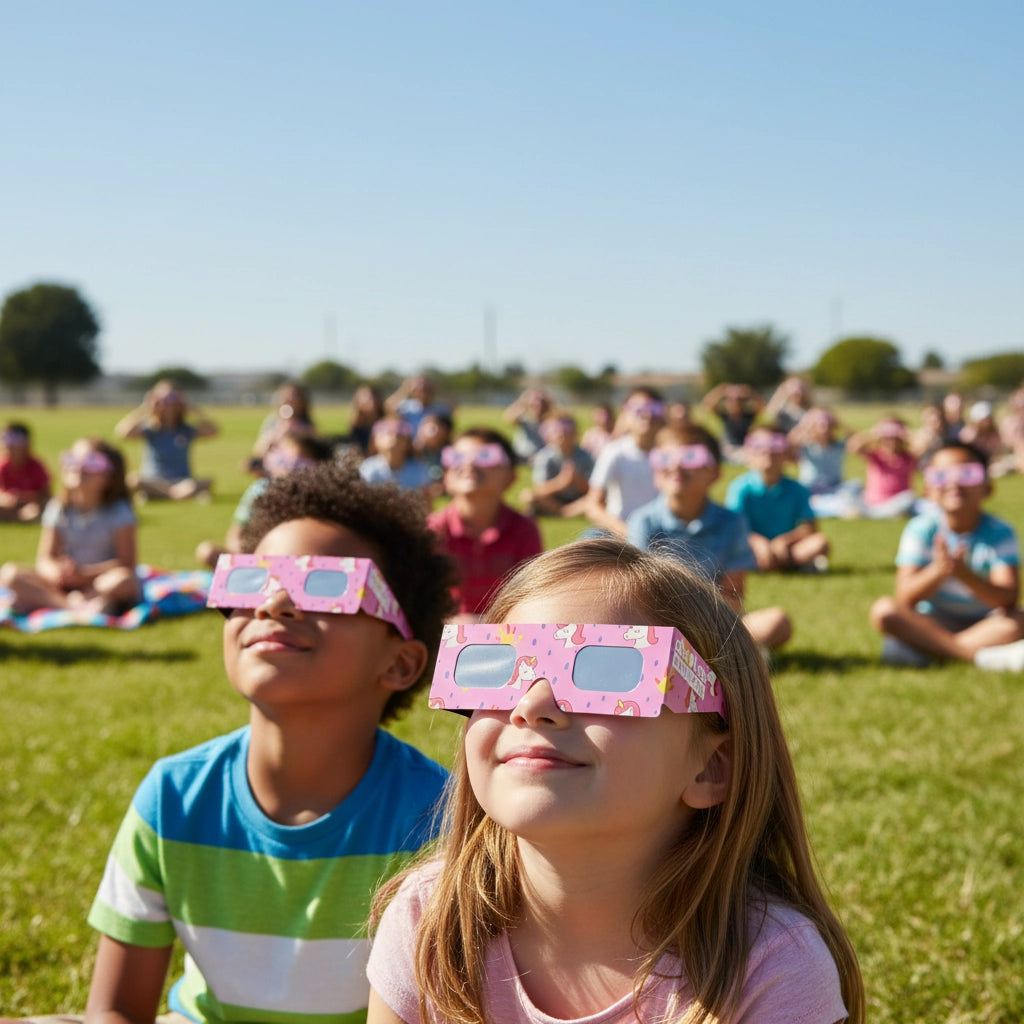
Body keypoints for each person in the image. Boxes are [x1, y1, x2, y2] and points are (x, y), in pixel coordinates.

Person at [366, 538, 864, 1024]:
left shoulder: (771, 969)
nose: (531, 707)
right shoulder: (427, 920)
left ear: (712, 767)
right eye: (501, 669)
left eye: (606, 672)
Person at [83, 462, 457, 1024]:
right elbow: (115, 1010)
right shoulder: (173, 796)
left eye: (328, 586)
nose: (273, 604)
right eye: (252, 580)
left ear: (400, 662)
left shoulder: (439, 821)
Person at [628, 424, 792, 652]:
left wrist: (702, 628)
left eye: (691, 457)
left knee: (777, 622)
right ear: (655, 471)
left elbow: (733, 595)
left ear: (715, 473)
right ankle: (733, 655)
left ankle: (718, 652)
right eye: (665, 457)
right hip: (657, 624)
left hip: (715, 622)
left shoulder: (733, 523)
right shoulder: (643, 522)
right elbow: (639, 594)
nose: (676, 465)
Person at [869, 441, 1024, 670]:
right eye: (941, 475)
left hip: (985, 622)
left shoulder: (1000, 532)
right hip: (932, 621)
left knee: (1018, 620)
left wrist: (965, 576)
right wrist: (939, 570)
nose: (955, 483)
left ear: (987, 487)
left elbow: (1008, 598)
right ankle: (981, 658)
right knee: (885, 610)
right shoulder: (921, 529)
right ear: (928, 490)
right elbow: (905, 597)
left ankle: (934, 651)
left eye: (967, 474)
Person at [0, 438, 140, 617]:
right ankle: (72, 606)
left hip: (100, 582)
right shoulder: (59, 508)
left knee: (123, 582)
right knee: (10, 574)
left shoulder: (119, 511)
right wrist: (59, 572)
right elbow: (45, 559)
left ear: (110, 477)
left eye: (91, 462)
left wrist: (85, 574)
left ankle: (66, 601)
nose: (79, 468)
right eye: (73, 460)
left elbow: (127, 563)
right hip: (62, 585)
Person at [427, 428, 542, 621]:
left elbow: (532, 599)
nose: (469, 463)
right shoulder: (432, 530)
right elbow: (421, 600)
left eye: (485, 456)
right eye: (457, 457)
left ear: (511, 477)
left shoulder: (525, 530)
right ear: (445, 477)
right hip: (444, 637)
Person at [196, 433, 334, 568]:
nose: (286, 465)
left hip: (298, 562)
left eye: (295, 460)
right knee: (207, 551)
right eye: (282, 458)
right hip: (257, 559)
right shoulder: (260, 490)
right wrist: (246, 559)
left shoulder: (320, 497)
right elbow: (236, 534)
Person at [725, 425, 830, 572]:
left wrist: (784, 541)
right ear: (749, 454)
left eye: (775, 447)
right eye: (759, 447)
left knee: (820, 543)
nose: (768, 453)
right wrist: (759, 542)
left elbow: (809, 528)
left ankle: (775, 563)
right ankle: (790, 565)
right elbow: (734, 528)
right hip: (753, 547)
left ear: (785, 454)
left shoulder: (797, 489)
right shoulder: (740, 487)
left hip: (787, 547)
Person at [115, 380, 219, 501]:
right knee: (133, 479)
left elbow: (213, 431)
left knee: (207, 481)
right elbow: (122, 432)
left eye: (172, 398)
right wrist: (145, 408)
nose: (168, 405)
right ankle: (176, 494)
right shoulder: (150, 429)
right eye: (162, 400)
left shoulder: (186, 430)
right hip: (153, 480)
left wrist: (191, 408)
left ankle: (158, 495)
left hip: (182, 481)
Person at [584, 387, 664, 538]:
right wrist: (626, 531)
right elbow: (592, 505)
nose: (647, 415)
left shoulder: (669, 454)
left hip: (660, 532)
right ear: (625, 415)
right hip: (618, 531)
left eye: (653, 409)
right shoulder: (614, 452)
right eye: (638, 409)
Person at [788, 407, 860, 519]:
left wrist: (838, 422)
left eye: (828, 425)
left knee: (856, 486)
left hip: (835, 489)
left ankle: (824, 507)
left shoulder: (838, 445)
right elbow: (789, 442)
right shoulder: (806, 446)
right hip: (810, 490)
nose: (825, 429)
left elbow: (857, 438)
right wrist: (805, 423)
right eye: (821, 426)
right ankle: (832, 508)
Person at [518, 413, 594, 518]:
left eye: (566, 430)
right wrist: (560, 483)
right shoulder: (545, 456)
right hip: (554, 499)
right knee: (528, 496)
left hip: (579, 499)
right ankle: (564, 512)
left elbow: (594, 490)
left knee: (596, 499)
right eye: (556, 431)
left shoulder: (586, 457)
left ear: (574, 433)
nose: (561, 434)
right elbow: (539, 489)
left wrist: (577, 480)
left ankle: (562, 512)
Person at [846, 416, 918, 519]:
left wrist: (906, 433)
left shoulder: (909, 457)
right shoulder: (875, 455)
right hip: (870, 504)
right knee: (852, 487)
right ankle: (885, 515)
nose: (891, 442)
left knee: (909, 497)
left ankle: (874, 514)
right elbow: (853, 446)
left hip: (895, 503)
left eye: (895, 438)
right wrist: (873, 433)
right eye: (887, 437)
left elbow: (925, 443)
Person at [358, 415, 433, 503]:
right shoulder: (368, 468)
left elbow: (426, 502)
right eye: (388, 433)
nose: (394, 438)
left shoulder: (419, 470)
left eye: (400, 435)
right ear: (375, 440)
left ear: (408, 442)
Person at [250, 381, 317, 472]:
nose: (290, 399)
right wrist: (277, 434)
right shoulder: (273, 421)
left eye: (295, 396)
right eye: (286, 396)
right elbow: (258, 450)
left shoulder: (307, 425)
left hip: (298, 468)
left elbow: (314, 451)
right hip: (274, 467)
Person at [0, 421, 51, 522]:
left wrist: (29, 499)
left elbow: (46, 496)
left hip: (31, 506)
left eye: (15, 442)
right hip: (7, 506)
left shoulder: (36, 467)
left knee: (36, 511)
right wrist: (7, 499)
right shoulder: (3, 466)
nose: (9, 447)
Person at [699, 382, 764, 461]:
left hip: (744, 448)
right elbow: (707, 404)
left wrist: (749, 392)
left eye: (737, 401)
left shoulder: (748, 416)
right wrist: (721, 390)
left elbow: (761, 405)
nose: (734, 403)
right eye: (730, 401)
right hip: (728, 449)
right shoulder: (725, 416)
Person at [385, 375, 452, 435]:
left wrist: (437, 390)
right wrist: (404, 390)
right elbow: (388, 407)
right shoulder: (407, 406)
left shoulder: (440, 408)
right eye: (418, 390)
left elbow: (453, 408)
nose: (423, 393)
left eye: (426, 389)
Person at [503, 387, 555, 463]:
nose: (538, 407)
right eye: (535, 404)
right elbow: (510, 419)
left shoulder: (551, 419)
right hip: (522, 455)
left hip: (542, 456)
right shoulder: (524, 418)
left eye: (541, 403)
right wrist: (522, 401)